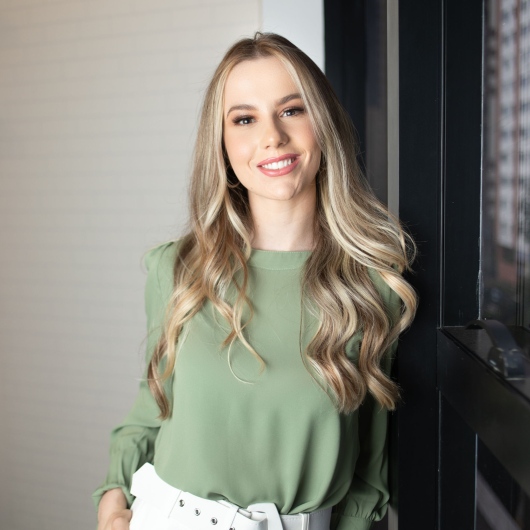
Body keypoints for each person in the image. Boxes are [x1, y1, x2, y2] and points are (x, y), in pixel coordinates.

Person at [93, 32, 417, 530]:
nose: (272, 136)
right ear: (222, 144)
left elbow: (368, 470)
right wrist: (113, 498)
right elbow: (151, 407)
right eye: (244, 119)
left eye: (291, 110)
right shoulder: (177, 269)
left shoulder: (373, 285)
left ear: (323, 123)